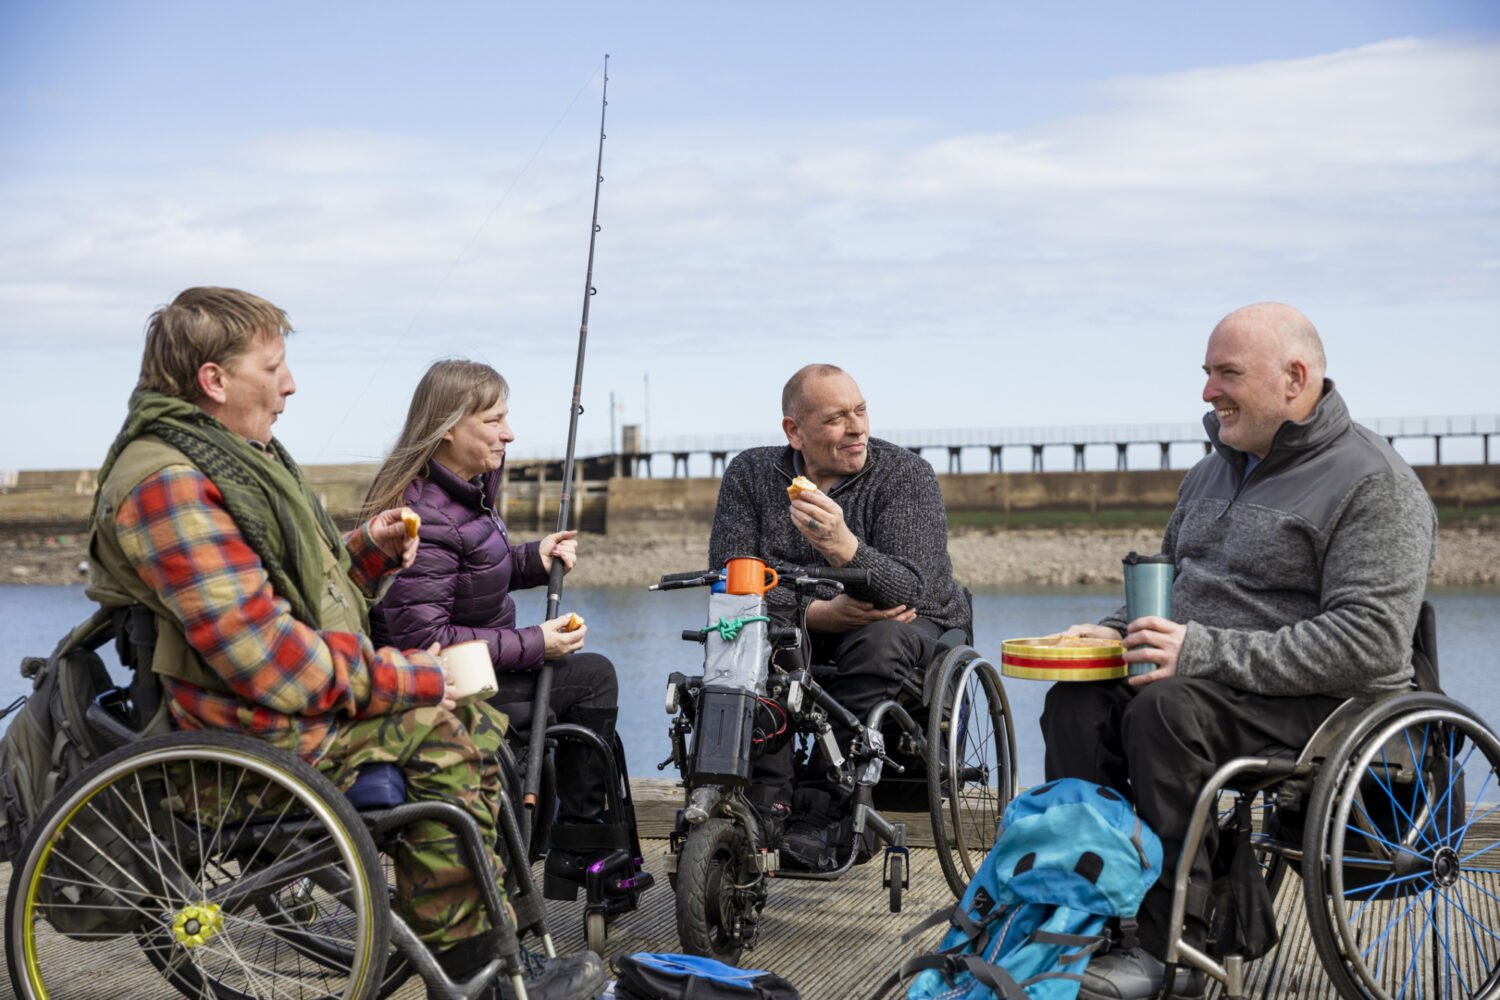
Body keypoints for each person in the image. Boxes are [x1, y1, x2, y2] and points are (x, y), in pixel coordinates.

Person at [86, 288, 603, 1000]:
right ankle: (480, 980)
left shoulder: (228, 457)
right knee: (445, 741)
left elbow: (292, 596)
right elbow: (267, 656)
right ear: (214, 380)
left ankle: (498, 953)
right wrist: (415, 679)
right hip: (243, 739)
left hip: (273, 712)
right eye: (273, 368)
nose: (290, 384)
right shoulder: (169, 483)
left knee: (479, 726)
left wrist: (367, 552)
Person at [1041, 303, 1437, 1000]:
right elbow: (1175, 589)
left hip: (1325, 704)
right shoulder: (1212, 470)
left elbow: (1369, 642)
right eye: (1206, 374)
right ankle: (1084, 917)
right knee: (1076, 699)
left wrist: (1196, 652)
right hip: (1202, 678)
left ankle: (1175, 952)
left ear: (1295, 378)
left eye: (1226, 374)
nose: (1206, 392)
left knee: (1164, 711)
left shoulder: (1374, 483)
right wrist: (1113, 628)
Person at [364, 358, 646, 905]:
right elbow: (426, 642)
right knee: (593, 679)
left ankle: (579, 846)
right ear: (447, 427)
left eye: (506, 418)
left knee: (588, 681)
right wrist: (537, 643)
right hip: (443, 686)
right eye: (493, 421)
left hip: (478, 667)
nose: (509, 433)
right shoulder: (424, 513)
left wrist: (533, 560)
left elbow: (475, 575)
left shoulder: (464, 495)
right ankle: (578, 851)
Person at [708, 363, 971, 869]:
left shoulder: (905, 475)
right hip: (807, 624)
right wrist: (818, 612)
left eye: (861, 411)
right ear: (794, 431)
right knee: (749, 635)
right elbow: (732, 575)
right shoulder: (751, 473)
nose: (857, 429)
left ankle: (826, 807)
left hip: (916, 622)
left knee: (880, 640)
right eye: (836, 419)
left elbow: (908, 587)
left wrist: (845, 546)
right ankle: (760, 805)